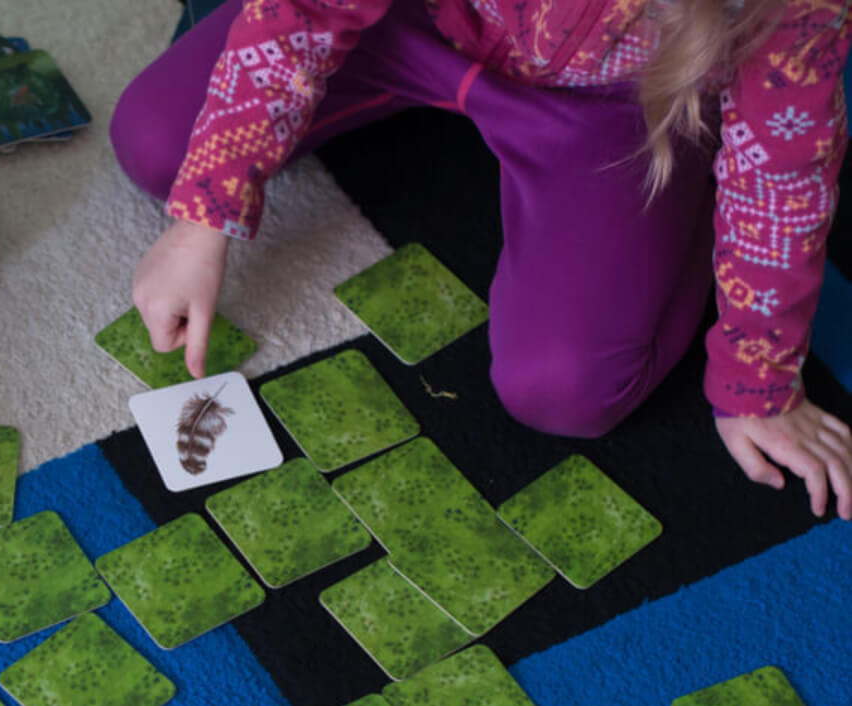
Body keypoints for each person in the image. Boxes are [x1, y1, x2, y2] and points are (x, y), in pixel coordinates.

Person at [114, 0, 852, 520]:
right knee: (159, 147)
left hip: (621, 104)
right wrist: (200, 217)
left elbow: (783, 175)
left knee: (563, 390)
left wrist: (761, 379)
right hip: (418, 26)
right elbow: (304, 12)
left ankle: (691, 161)